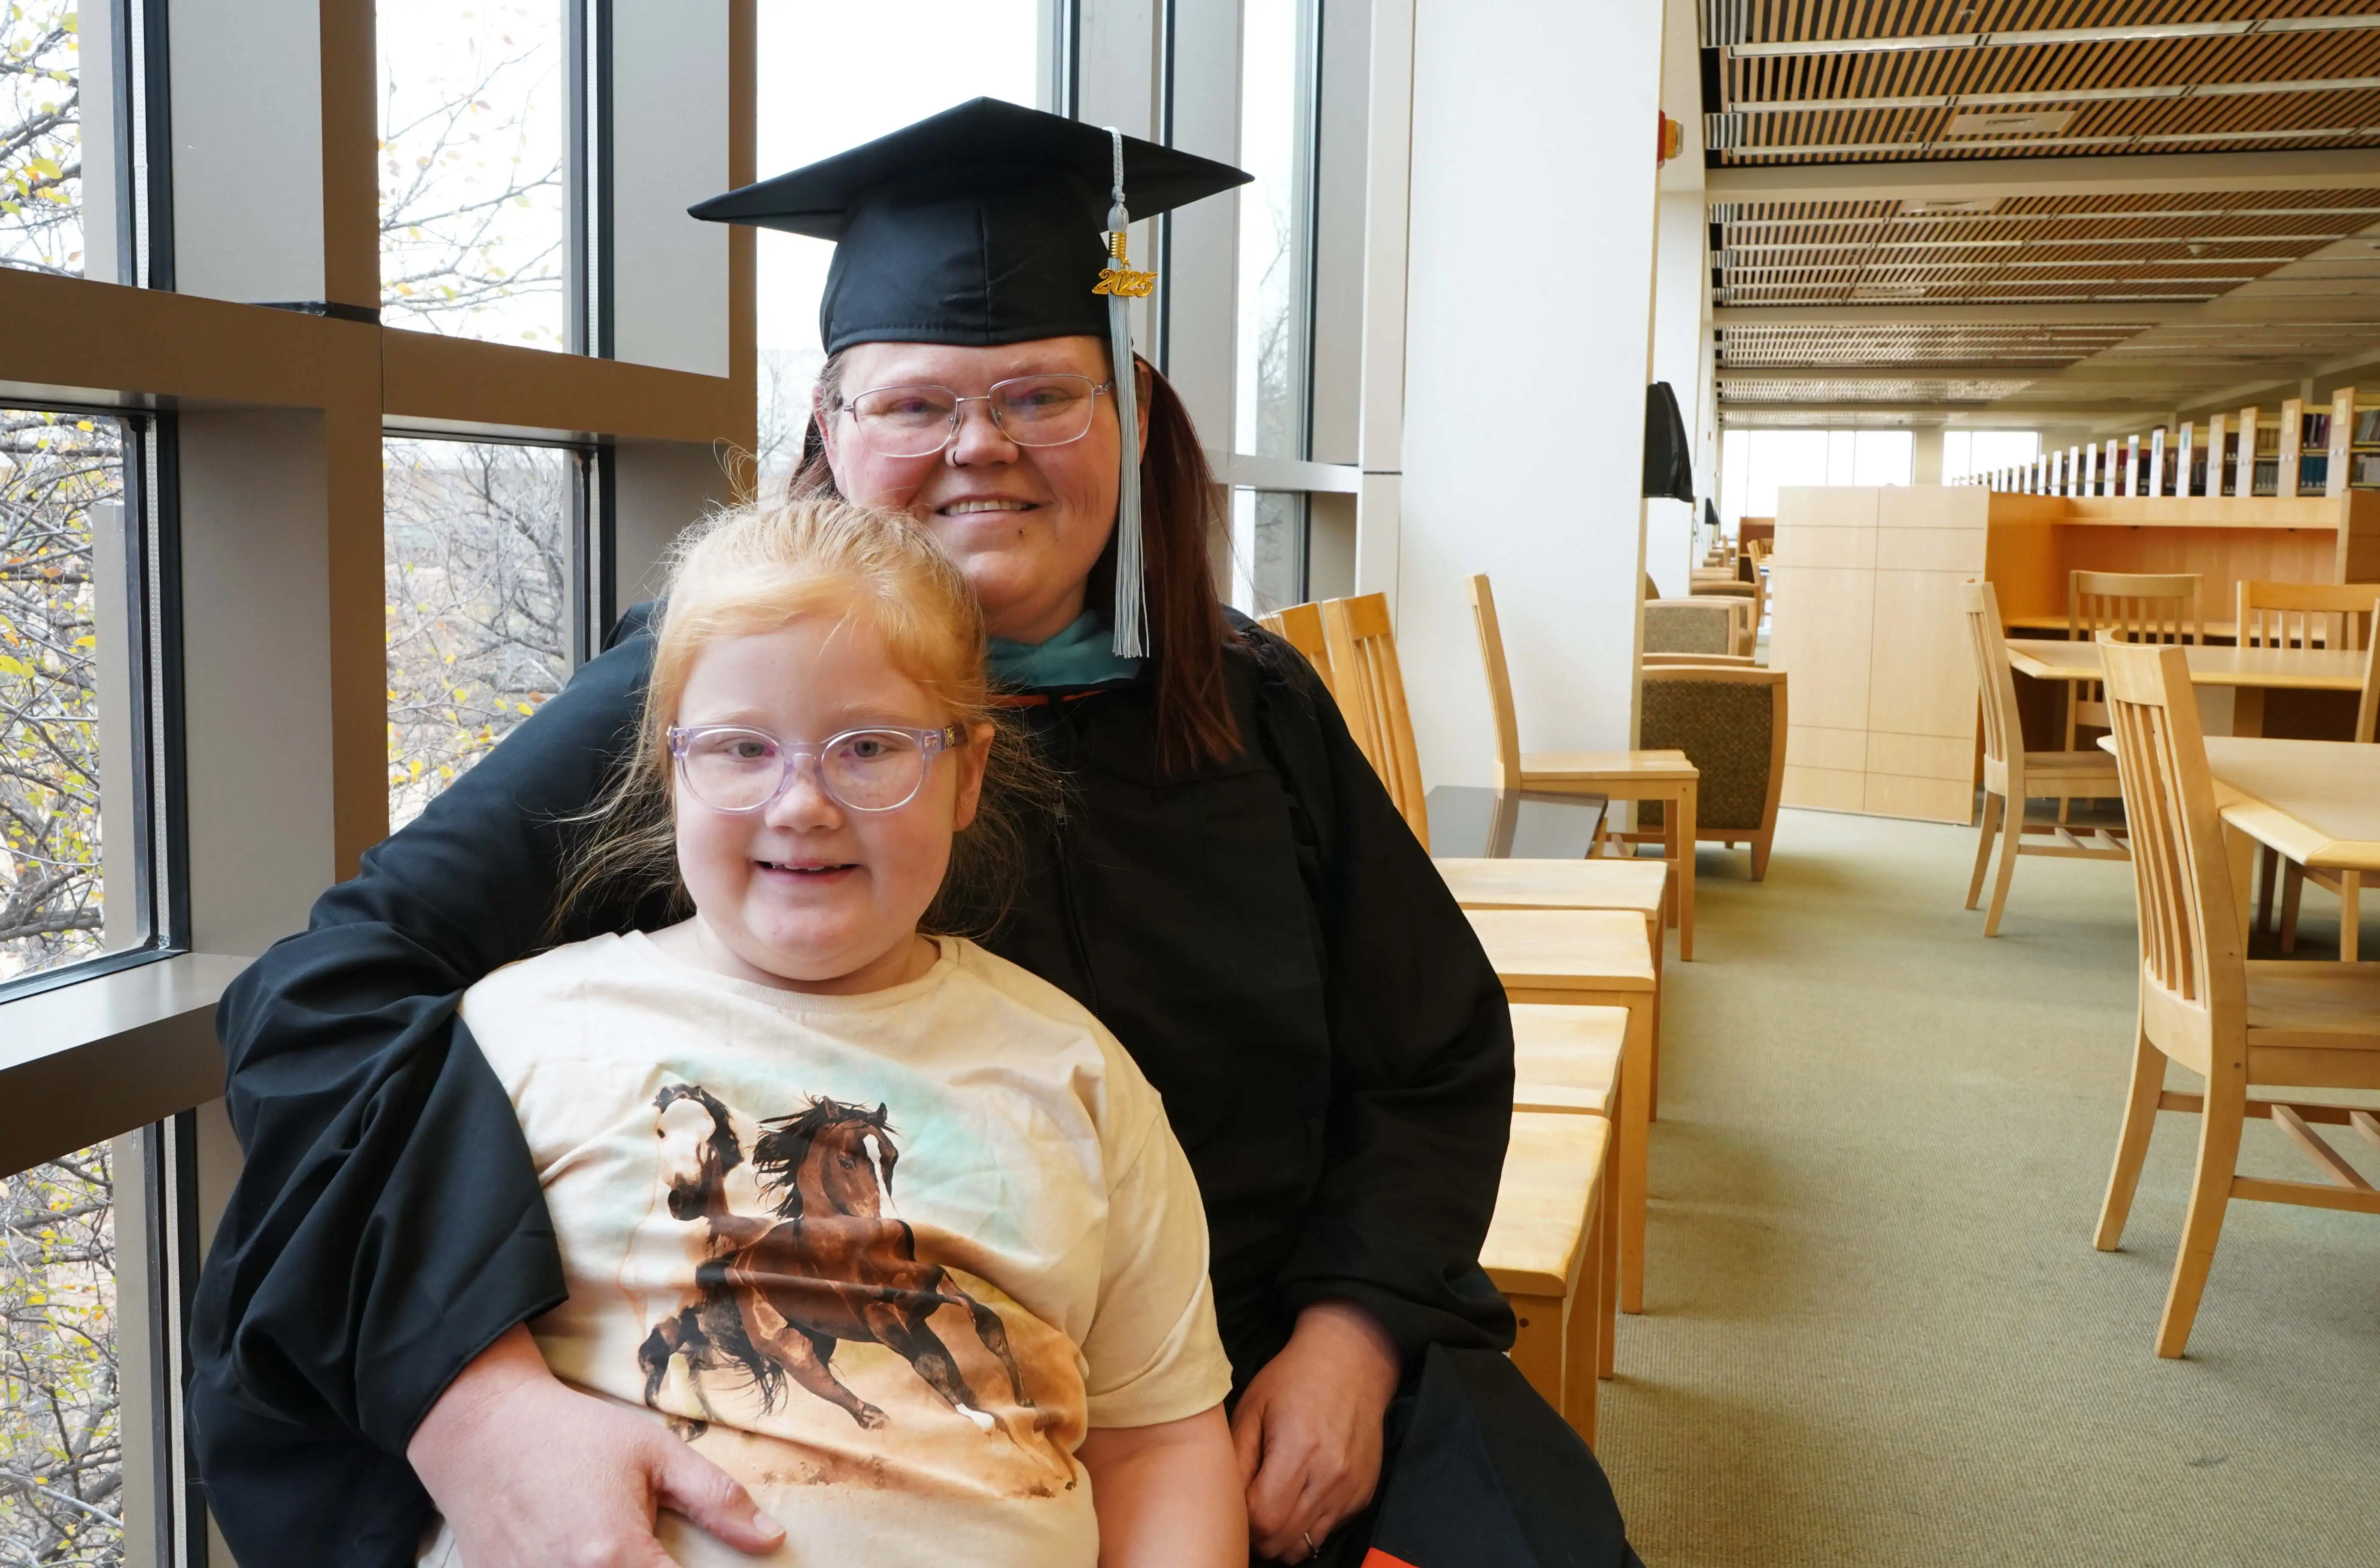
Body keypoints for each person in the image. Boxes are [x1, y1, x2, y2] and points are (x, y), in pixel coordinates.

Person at [191, 99, 1636, 1568]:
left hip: (1251, 1370)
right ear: (829, 426)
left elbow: (1427, 1051)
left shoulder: (1249, 703)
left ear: (1131, 414)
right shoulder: (706, 705)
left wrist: (1352, 1342)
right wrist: (486, 1406)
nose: (978, 452)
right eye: (914, 404)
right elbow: (331, 1002)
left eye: (1038, 398)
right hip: (840, 1393)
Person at [407, 497, 1242, 1568]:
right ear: (672, 773)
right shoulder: (514, 1032)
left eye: (871, 748)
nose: (801, 803)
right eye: (743, 748)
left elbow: (1160, 1443)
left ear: (968, 776)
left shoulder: (1075, 1070)